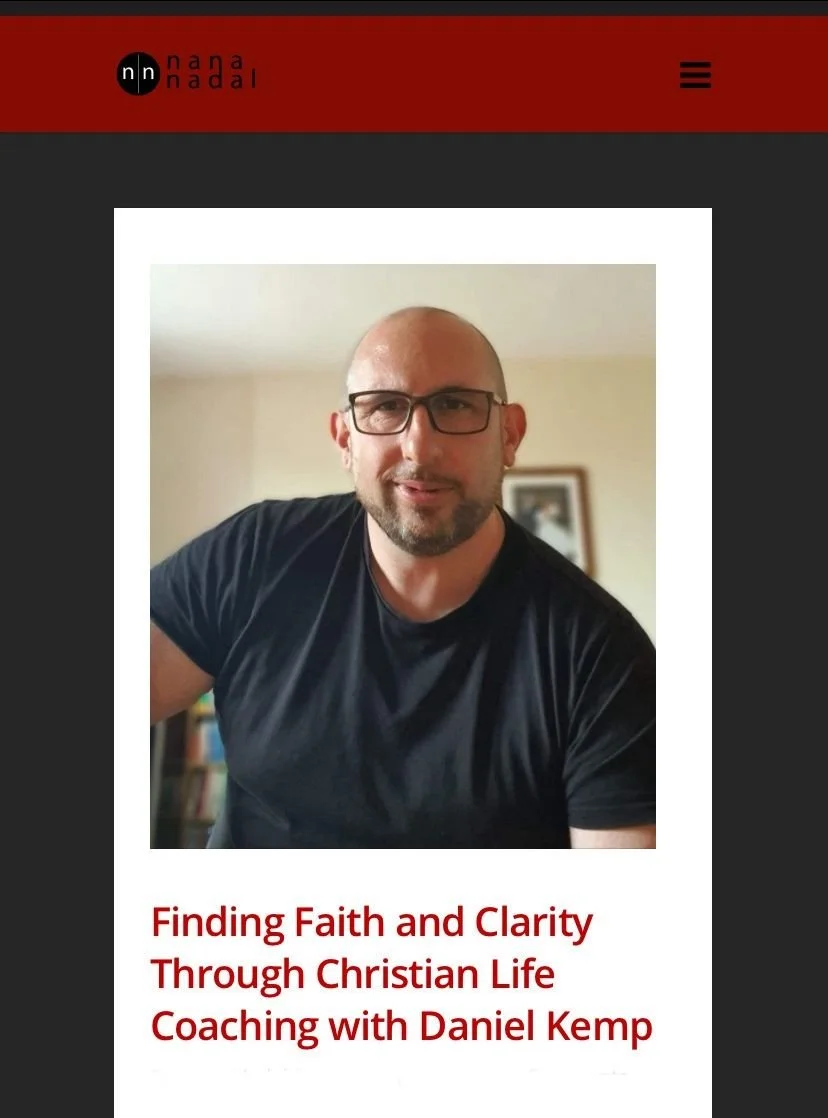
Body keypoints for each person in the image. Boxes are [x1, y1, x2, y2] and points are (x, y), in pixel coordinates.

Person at [150, 306, 655, 849]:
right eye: (385, 407)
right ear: (345, 440)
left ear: (509, 435)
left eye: (456, 405)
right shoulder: (252, 556)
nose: (419, 446)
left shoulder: (600, 654)